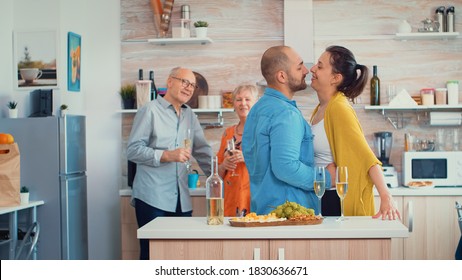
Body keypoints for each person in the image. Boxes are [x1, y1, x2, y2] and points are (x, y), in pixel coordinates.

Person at [127, 67, 212, 259]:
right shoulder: (149, 111)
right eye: (184, 82)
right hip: (152, 197)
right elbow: (132, 150)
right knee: (153, 256)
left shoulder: (189, 114)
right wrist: (166, 155)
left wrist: (219, 174)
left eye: (192, 85)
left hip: (181, 200)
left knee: (181, 256)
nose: (189, 88)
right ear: (170, 81)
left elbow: (202, 150)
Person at [309, 45, 400, 220]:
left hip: (335, 201)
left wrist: (386, 195)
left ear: (335, 78)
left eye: (320, 66)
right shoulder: (321, 108)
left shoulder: (339, 108)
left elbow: (366, 157)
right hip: (322, 197)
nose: (313, 69)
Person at [242, 45, 330, 215]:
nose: (306, 71)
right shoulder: (286, 113)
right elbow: (286, 167)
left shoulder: (257, 110)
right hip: (290, 214)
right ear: (282, 76)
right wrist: (326, 178)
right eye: (299, 67)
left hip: (263, 210)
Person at [217, 84, 258, 217]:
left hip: (254, 196)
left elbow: (272, 164)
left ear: (256, 103)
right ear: (234, 104)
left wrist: (247, 158)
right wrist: (224, 166)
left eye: (247, 99)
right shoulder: (227, 133)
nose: (243, 103)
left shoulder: (262, 132)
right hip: (231, 197)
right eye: (239, 99)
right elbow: (217, 173)